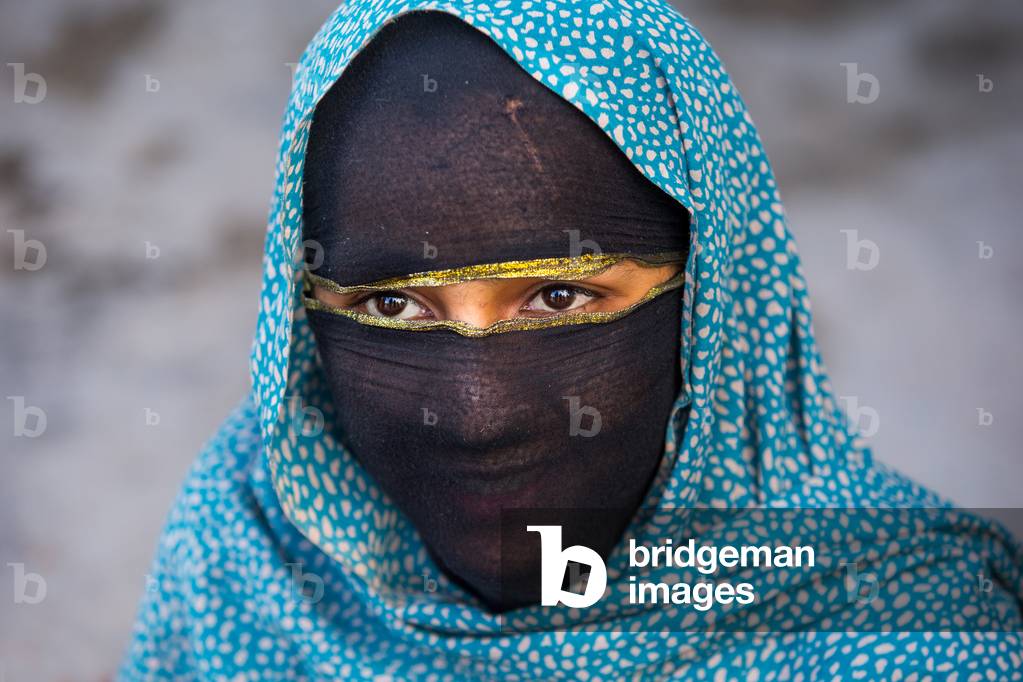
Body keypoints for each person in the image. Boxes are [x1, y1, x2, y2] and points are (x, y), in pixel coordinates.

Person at [121, 3, 1023, 680]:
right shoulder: (247, 547)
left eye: (558, 297)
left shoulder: (906, 634)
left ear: (718, 307)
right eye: (393, 309)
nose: (478, 417)